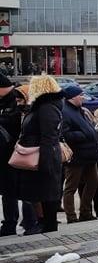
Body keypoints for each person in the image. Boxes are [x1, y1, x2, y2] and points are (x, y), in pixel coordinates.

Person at [15, 76, 65, 233]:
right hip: (42, 154)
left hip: (44, 156)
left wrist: (46, 161)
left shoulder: (46, 108)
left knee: (46, 192)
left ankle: (48, 225)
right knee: (42, 192)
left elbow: (48, 137)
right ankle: (44, 223)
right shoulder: (44, 106)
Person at [0, 78, 39, 235]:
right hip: (5, 156)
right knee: (8, 191)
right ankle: (9, 224)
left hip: (21, 153)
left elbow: (21, 124)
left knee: (25, 189)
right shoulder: (5, 101)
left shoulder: (19, 98)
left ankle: (30, 222)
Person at [60, 84, 98, 223]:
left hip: (89, 154)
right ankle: (71, 216)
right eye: (80, 95)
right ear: (72, 97)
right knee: (71, 186)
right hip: (76, 156)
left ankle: (86, 212)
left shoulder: (80, 110)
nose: (83, 97)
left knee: (94, 182)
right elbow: (65, 134)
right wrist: (84, 135)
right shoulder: (65, 112)